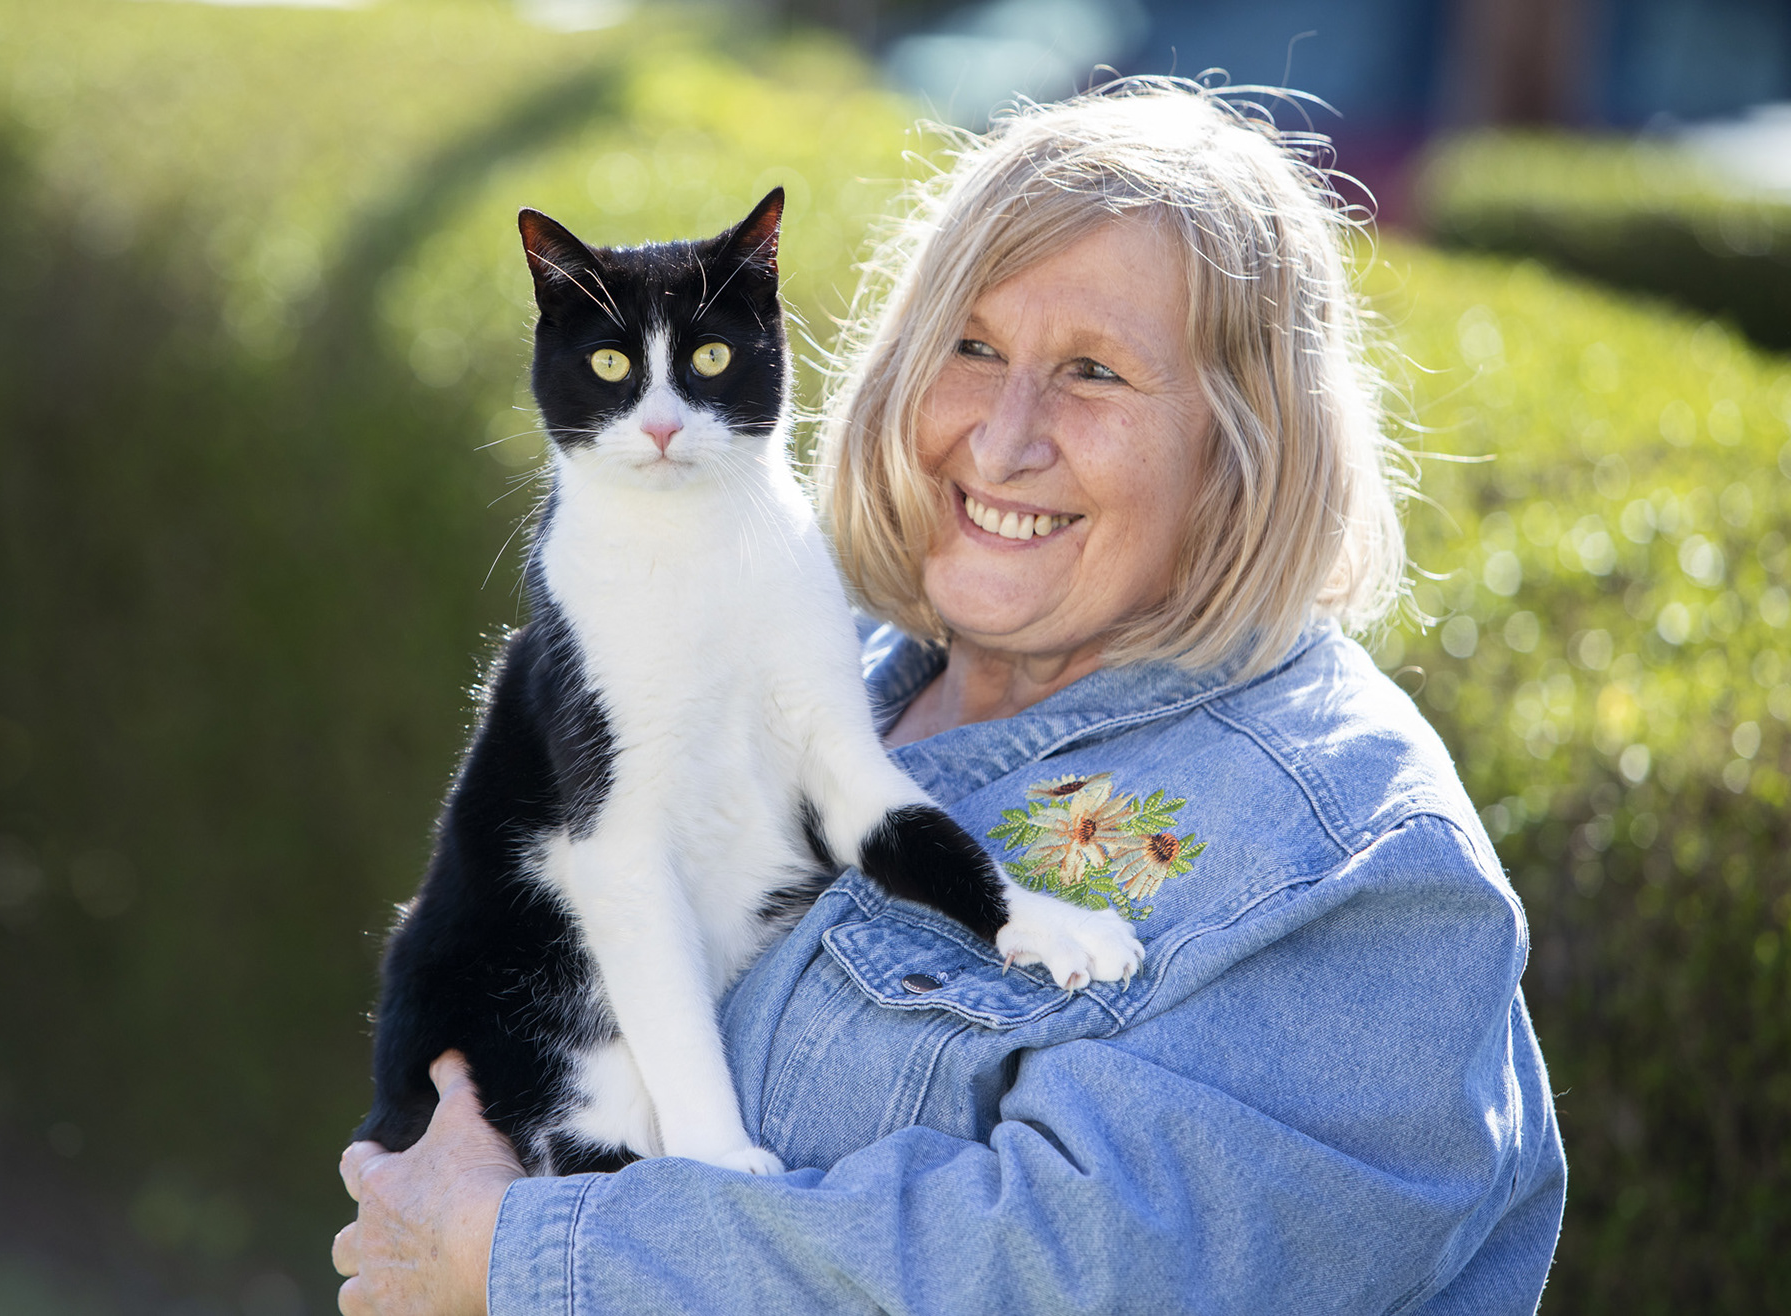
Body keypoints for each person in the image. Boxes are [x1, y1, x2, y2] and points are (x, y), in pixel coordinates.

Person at [333, 80, 1565, 1315]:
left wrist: (519, 1250)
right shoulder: (849, 663)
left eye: (1092, 372)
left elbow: (1064, 1270)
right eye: (972, 348)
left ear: (1251, 442)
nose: (1002, 438)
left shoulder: (1363, 866)